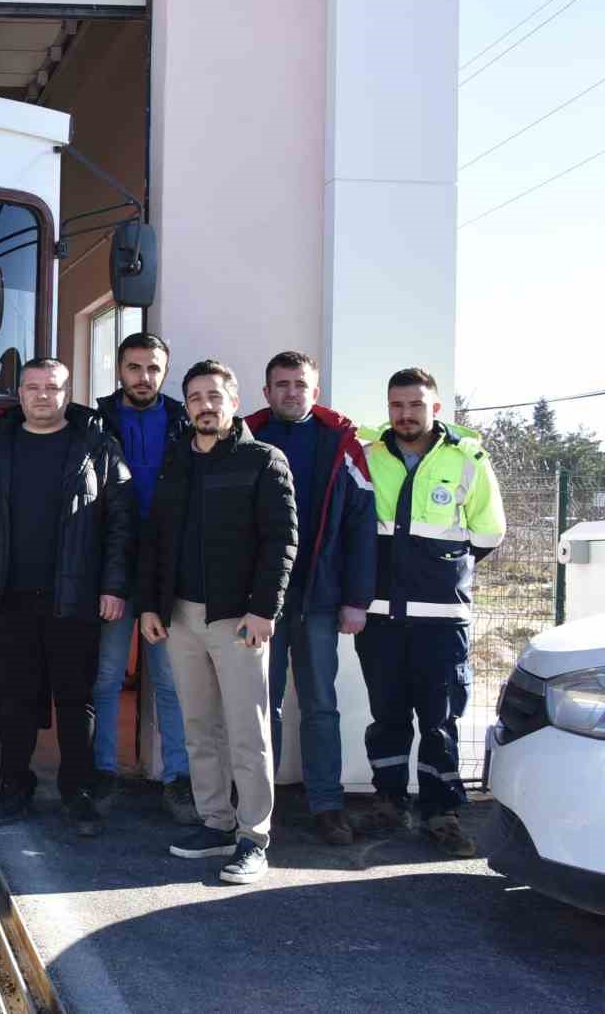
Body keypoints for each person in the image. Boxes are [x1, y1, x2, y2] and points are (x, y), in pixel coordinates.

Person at [0, 357, 136, 835]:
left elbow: (121, 523)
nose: (41, 396)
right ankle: (14, 788)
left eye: (52, 388)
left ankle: (78, 793)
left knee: (77, 701)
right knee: (14, 700)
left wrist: (114, 586)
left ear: (67, 392)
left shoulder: (96, 445)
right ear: (19, 394)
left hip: (74, 598)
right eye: (32, 387)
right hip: (9, 596)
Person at [137, 360, 296, 884]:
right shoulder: (175, 462)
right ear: (187, 405)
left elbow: (281, 541)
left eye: (215, 395)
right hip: (180, 617)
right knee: (199, 727)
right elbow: (156, 542)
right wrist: (150, 606)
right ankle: (215, 823)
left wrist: (263, 609)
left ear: (234, 400)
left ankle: (253, 838)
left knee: (248, 734)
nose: (206, 405)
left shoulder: (263, 460)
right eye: (196, 397)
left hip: (238, 620)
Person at [355, 367, 505, 857]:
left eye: (415, 405)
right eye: (397, 405)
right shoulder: (369, 454)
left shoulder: (469, 461)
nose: (405, 414)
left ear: (435, 408)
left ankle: (441, 813)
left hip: (442, 620)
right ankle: (389, 802)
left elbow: (487, 534)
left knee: (440, 721)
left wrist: (441, 571)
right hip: (380, 617)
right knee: (387, 716)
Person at [244, 351, 375, 845]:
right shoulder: (247, 439)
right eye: (281, 384)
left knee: (321, 704)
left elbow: (362, 524)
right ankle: (260, 806)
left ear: (315, 392)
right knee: (264, 704)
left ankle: (327, 803)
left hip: (320, 597)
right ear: (266, 392)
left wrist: (356, 598)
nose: (291, 392)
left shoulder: (342, 445)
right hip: (260, 601)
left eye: (300, 384)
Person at [94, 331, 197, 824]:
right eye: (134, 367)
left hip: (169, 569)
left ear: (165, 370)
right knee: (108, 676)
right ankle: (102, 772)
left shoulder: (183, 420)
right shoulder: (95, 419)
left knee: (171, 682)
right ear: (120, 370)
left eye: (153, 368)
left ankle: (179, 778)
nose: (144, 377)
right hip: (112, 565)